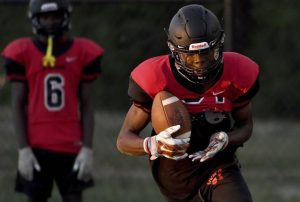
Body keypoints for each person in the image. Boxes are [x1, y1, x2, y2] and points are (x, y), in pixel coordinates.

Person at [117, 4, 259, 202]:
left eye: (206, 53)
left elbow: (246, 125)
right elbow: (124, 140)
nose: (199, 61)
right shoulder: (156, 77)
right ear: (174, 51)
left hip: (218, 166)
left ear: (219, 45)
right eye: (190, 56)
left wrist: (226, 138)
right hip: (175, 178)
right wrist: (153, 144)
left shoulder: (238, 72)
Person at [2, 0, 104, 202]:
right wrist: (23, 149)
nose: (50, 22)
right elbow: (17, 104)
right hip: (36, 145)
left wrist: (87, 148)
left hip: (71, 145)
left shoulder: (83, 51)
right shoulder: (21, 52)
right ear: (35, 19)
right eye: (44, 17)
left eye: (55, 16)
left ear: (65, 16)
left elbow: (86, 104)